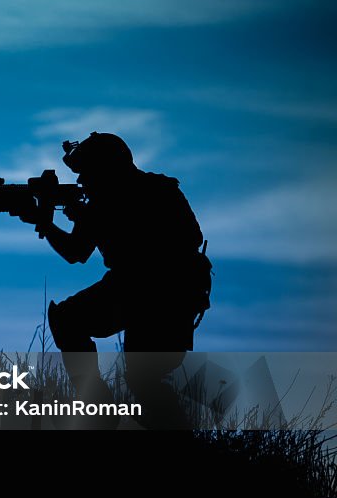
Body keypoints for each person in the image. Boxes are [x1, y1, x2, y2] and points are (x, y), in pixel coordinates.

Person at [17, 132, 211, 429]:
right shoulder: (159, 188)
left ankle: (100, 414)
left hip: (147, 291)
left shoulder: (107, 201)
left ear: (105, 168)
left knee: (69, 321)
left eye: (88, 173)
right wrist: (90, 218)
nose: (83, 181)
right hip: (177, 293)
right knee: (144, 379)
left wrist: (46, 223)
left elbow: (75, 252)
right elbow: (188, 238)